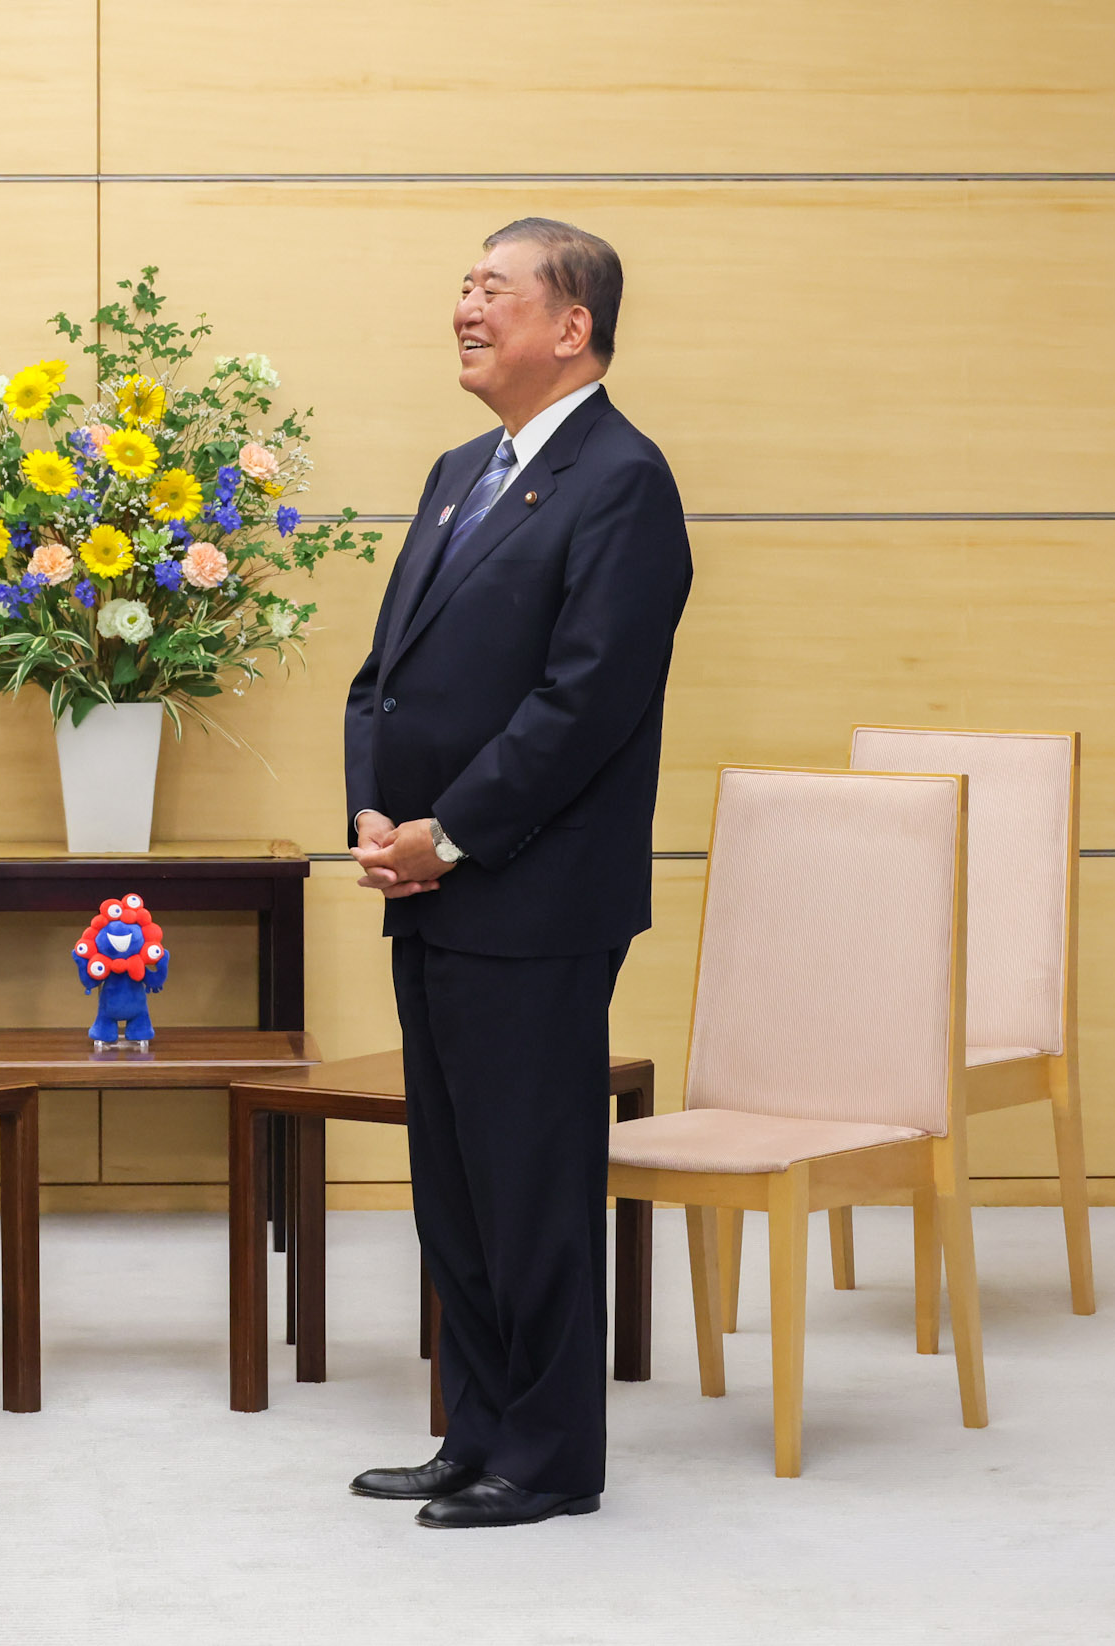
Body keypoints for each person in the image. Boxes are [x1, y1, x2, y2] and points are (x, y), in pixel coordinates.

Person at [343, 218, 692, 1528]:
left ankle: (547, 1458)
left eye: (495, 288)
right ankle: (475, 1429)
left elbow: (585, 702)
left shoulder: (624, 480)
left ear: (573, 326)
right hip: (431, 884)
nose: (467, 308)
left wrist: (451, 833)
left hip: (534, 895)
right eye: (464, 285)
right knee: (455, 1182)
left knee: (531, 1184)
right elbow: (385, 671)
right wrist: (378, 816)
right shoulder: (460, 471)